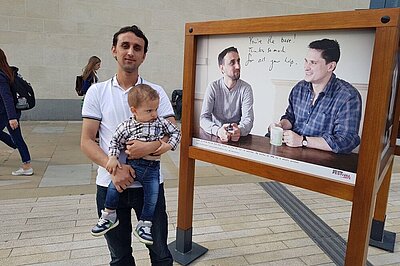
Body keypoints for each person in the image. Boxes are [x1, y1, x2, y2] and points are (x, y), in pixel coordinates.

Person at [81, 25, 175, 265]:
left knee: (161, 253)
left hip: (149, 186)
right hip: (110, 184)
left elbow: (171, 133)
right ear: (114, 50)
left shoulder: (156, 93)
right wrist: (114, 168)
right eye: (125, 45)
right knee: (120, 256)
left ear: (144, 55)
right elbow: (86, 141)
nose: (130, 52)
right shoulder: (97, 92)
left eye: (137, 48)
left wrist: (148, 147)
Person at [91, 84, 181, 247]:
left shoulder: (159, 122)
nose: (154, 114)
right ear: (134, 110)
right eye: (149, 111)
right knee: (114, 188)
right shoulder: (126, 126)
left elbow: (175, 131)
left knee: (152, 196)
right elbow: (115, 141)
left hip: (152, 169)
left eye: (155, 109)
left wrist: (168, 145)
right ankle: (109, 214)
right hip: (131, 167)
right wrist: (112, 158)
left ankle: (144, 224)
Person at [270, 39, 362, 154]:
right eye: (306, 61)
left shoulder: (348, 96)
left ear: (331, 66)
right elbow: (290, 117)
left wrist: (303, 141)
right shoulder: (299, 88)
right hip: (292, 153)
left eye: (313, 63)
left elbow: (346, 141)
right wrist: (281, 125)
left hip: (324, 161)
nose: (306, 67)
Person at [200, 46, 254, 143]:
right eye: (232, 63)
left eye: (238, 61)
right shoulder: (213, 87)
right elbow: (204, 118)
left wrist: (239, 130)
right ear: (222, 68)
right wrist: (217, 131)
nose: (238, 66)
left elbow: (248, 119)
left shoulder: (246, 88)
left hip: (237, 138)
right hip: (216, 136)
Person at [0, 48, 33, 176]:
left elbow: (7, 97)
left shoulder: (1, 75)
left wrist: (12, 117)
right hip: (9, 113)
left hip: (6, 113)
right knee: (17, 138)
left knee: (17, 138)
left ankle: (26, 165)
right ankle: (26, 162)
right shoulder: (7, 72)